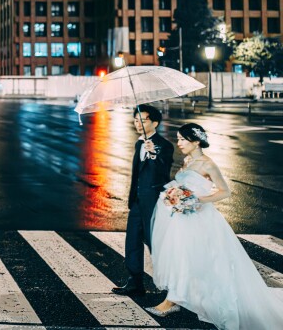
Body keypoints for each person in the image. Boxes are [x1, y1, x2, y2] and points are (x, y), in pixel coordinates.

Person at [146, 123, 283, 326]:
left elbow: (224, 191)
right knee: (182, 257)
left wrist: (195, 200)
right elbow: (181, 185)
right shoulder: (188, 160)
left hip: (200, 220)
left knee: (205, 261)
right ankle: (174, 298)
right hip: (182, 219)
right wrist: (175, 195)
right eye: (178, 139)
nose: (179, 143)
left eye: (183, 139)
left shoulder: (207, 163)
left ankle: (172, 301)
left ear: (196, 141)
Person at [112, 104, 174, 297]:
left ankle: (171, 284)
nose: (137, 123)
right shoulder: (139, 143)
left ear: (154, 122)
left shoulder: (164, 145)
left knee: (155, 242)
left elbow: (164, 172)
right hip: (138, 201)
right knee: (132, 240)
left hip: (154, 201)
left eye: (142, 120)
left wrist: (154, 154)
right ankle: (134, 282)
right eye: (136, 119)